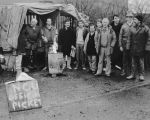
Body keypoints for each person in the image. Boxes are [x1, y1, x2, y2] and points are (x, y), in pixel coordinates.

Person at [126, 14, 150, 81]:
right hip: (133, 48)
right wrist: (128, 46)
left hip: (141, 48)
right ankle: (133, 75)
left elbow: (149, 39)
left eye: (135, 19)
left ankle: (141, 75)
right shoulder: (132, 28)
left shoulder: (145, 28)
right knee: (133, 62)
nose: (133, 20)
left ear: (139, 21)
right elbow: (129, 38)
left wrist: (147, 48)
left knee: (141, 62)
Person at [119, 11, 133, 76]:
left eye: (130, 17)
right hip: (124, 42)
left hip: (132, 43)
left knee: (131, 58)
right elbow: (120, 36)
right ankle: (124, 70)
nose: (129, 18)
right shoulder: (123, 26)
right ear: (126, 18)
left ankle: (131, 71)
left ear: (132, 18)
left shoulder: (135, 25)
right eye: (128, 17)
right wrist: (120, 45)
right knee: (124, 57)